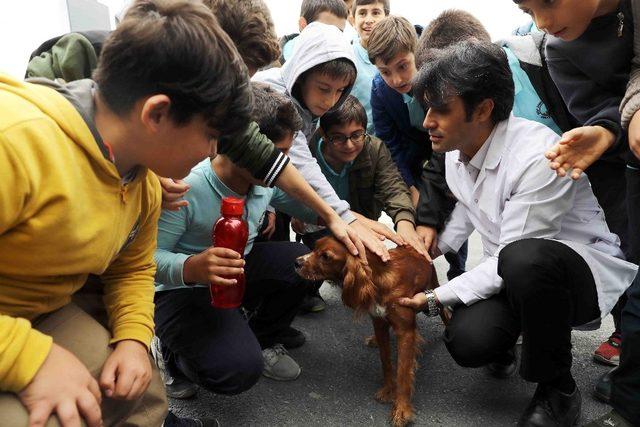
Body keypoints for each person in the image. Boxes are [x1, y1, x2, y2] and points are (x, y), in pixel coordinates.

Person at [0, 1, 252, 426]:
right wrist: (29, 359)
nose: (212, 153)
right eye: (210, 135)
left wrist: (134, 338)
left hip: (42, 306)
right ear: (156, 113)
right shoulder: (17, 143)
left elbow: (132, 266)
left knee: (137, 390)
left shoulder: (143, 179)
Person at [398, 40, 637, 427]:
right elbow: (469, 207)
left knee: (524, 260)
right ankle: (516, 334)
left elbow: (510, 255)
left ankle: (557, 390)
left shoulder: (537, 157)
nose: (427, 121)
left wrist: (432, 296)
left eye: (441, 109)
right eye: (427, 108)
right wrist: (430, 248)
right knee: (468, 341)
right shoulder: (457, 151)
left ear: (483, 109)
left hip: (574, 273)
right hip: (512, 269)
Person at [154, 83, 322, 406]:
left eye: (287, 154)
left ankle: (262, 336)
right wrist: (192, 267)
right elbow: (146, 260)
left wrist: (353, 222)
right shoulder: (186, 186)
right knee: (238, 370)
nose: (283, 166)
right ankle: (175, 357)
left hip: (235, 271)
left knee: (306, 262)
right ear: (247, 146)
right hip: (181, 290)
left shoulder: (264, 181)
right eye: (277, 155)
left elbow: (312, 207)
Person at [511, 1, 640, 421]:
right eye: (529, 9)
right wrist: (609, 128)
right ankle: (630, 391)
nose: (543, 23)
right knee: (634, 266)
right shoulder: (558, 48)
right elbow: (598, 112)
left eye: (547, 2)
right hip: (618, 167)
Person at [254, 21, 403, 256]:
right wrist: (344, 217)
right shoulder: (277, 95)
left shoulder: (306, 104)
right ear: (301, 76)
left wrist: (349, 217)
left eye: (340, 90)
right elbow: (301, 165)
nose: (330, 101)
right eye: (324, 88)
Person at [368, 15, 467, 280]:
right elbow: (390, 144)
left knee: (450, 206)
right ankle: (424, 275)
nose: (397, 79)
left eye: (403, 66)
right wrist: (411, 187)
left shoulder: (439, 76)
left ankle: (459, 270)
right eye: (385, 72)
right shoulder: (379, 91)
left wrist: (429, 204)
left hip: (445, 149)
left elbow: (446, 143)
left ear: (417, 53)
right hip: (412, 158)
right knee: (418, 215)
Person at [348, 0, 389, 134]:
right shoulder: (347, 57)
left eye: (376, 13)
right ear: (353, 20)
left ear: (387, 18)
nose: (369, 20)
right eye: (362, 13)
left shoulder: (398, 55)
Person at [280, 0, 349, 63]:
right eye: (325, 31)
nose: (332, 40)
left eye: (339, 33)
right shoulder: (272, 65)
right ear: (303, 25)